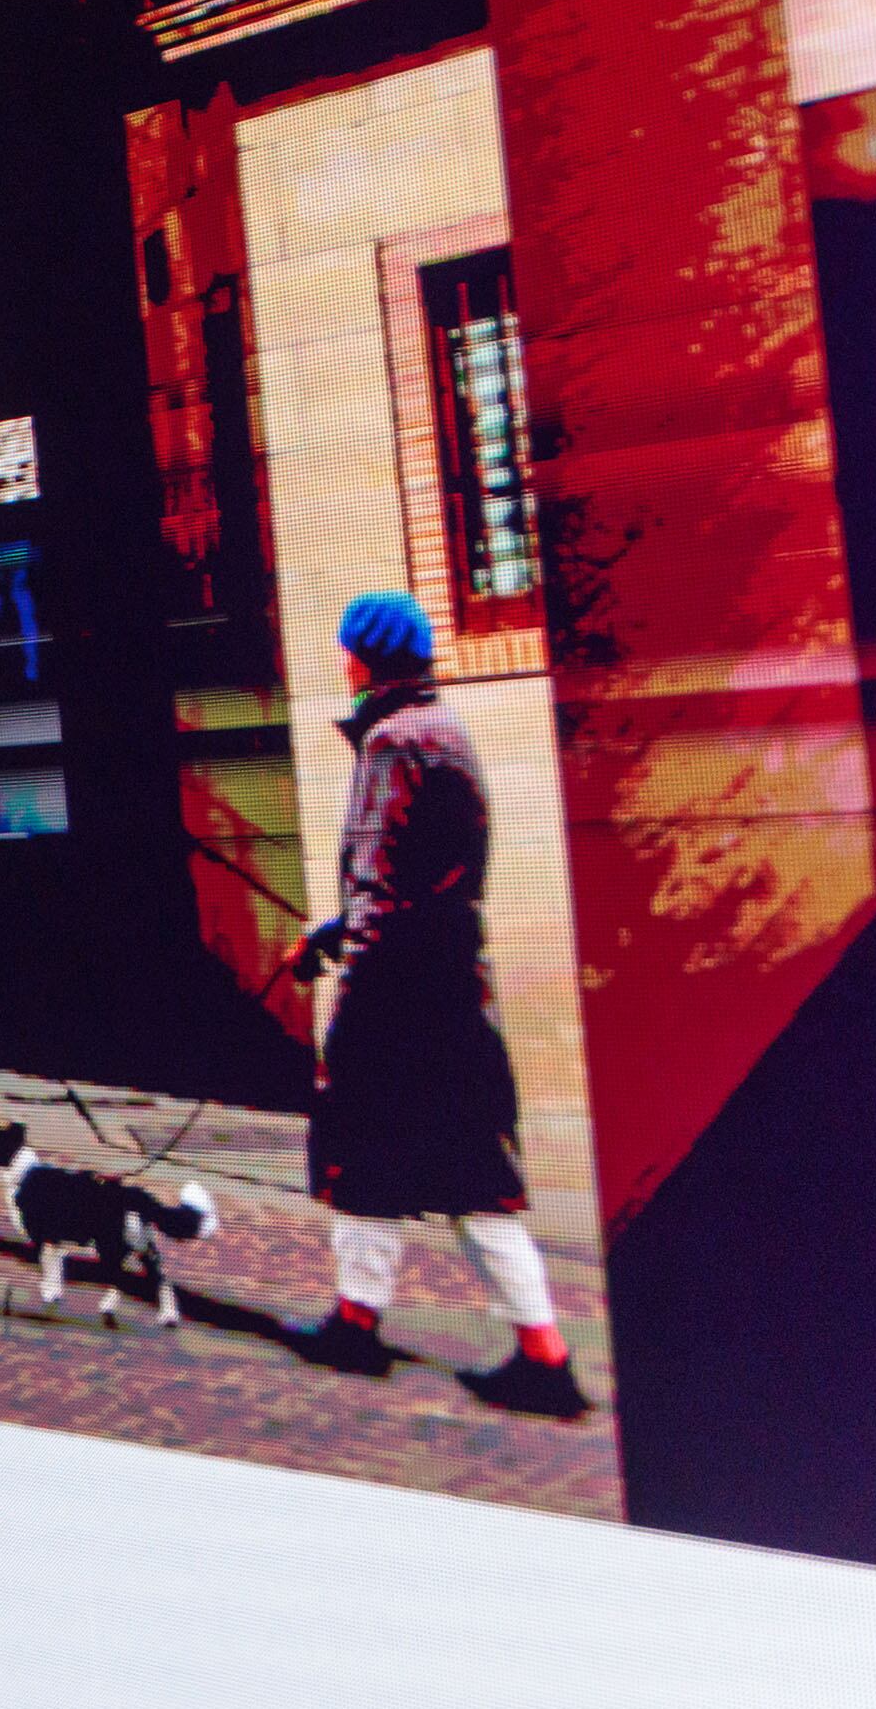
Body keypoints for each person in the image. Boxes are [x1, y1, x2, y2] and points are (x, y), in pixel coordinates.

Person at [281, 593, 590, 1418]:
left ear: (368, 658)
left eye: (348, 647)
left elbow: (382, 887)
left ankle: (362, 1327)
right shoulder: (444, 731)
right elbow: (424, 880)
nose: (342, 661)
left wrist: (352, 988)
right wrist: (327, 937)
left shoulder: (390, 742)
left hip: (399, 1001)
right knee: (471, 1175)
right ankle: (537, 1349)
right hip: (454, 984)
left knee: (363, 1156)